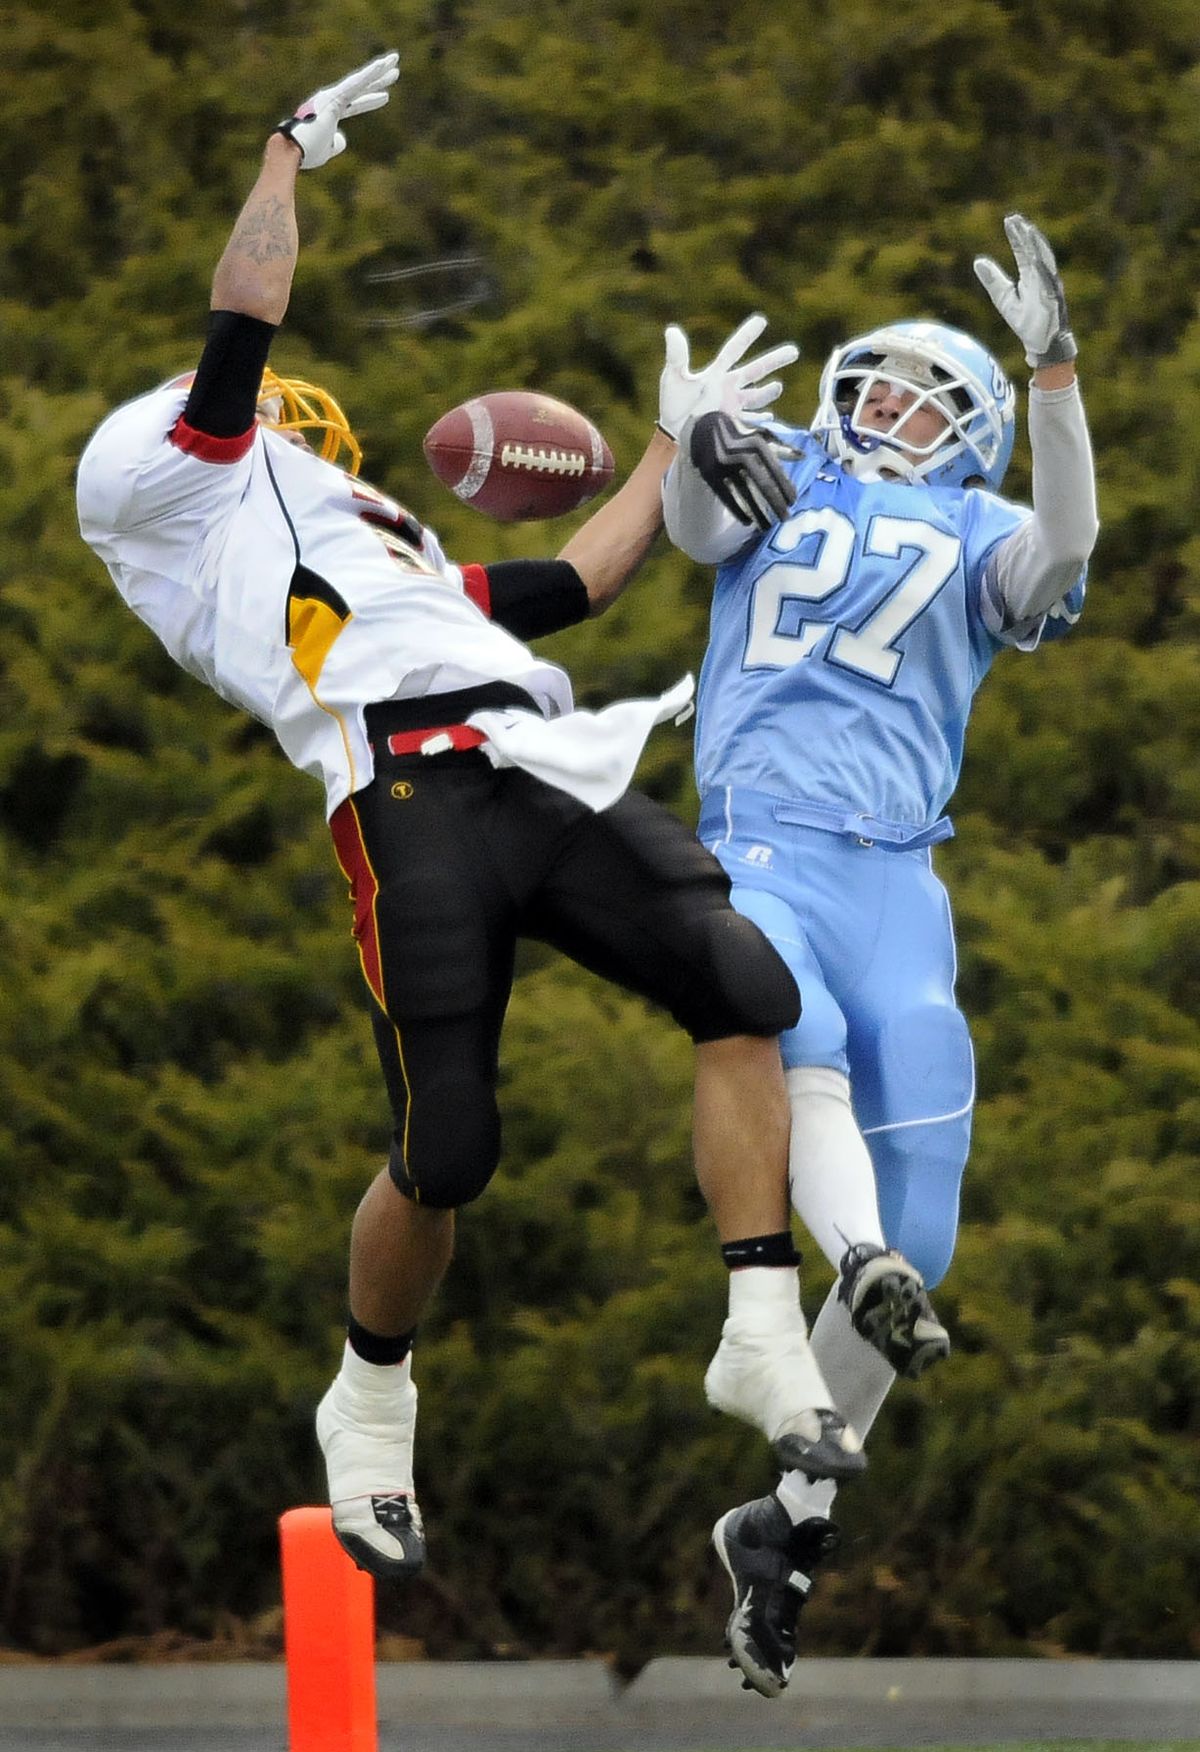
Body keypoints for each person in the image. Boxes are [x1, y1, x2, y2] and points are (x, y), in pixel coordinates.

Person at [75, 52, 876, 1585]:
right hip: (405, 791)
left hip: (539, 760)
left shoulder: (369, 546)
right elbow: (241, 328)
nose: (297, 429)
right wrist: (283, 154)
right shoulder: (173, 492)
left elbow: (572, 585)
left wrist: (667, 437)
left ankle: (761, 1329)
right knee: (447, 1150)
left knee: (742, 984)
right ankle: (370, 1402)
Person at [661, 214, 1098, 1696]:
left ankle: (786, 1525)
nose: (897, 404)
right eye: (884, 383)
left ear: (971, 433)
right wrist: (691, 438)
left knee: (930, 1219)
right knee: (802, 1045)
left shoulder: (985, 527)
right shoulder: (784, 469)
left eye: (930, 394)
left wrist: (1056, 379)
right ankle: (852, 1261)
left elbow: (1069, 547)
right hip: (761, 840)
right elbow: (696, 529)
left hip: (901, 877)